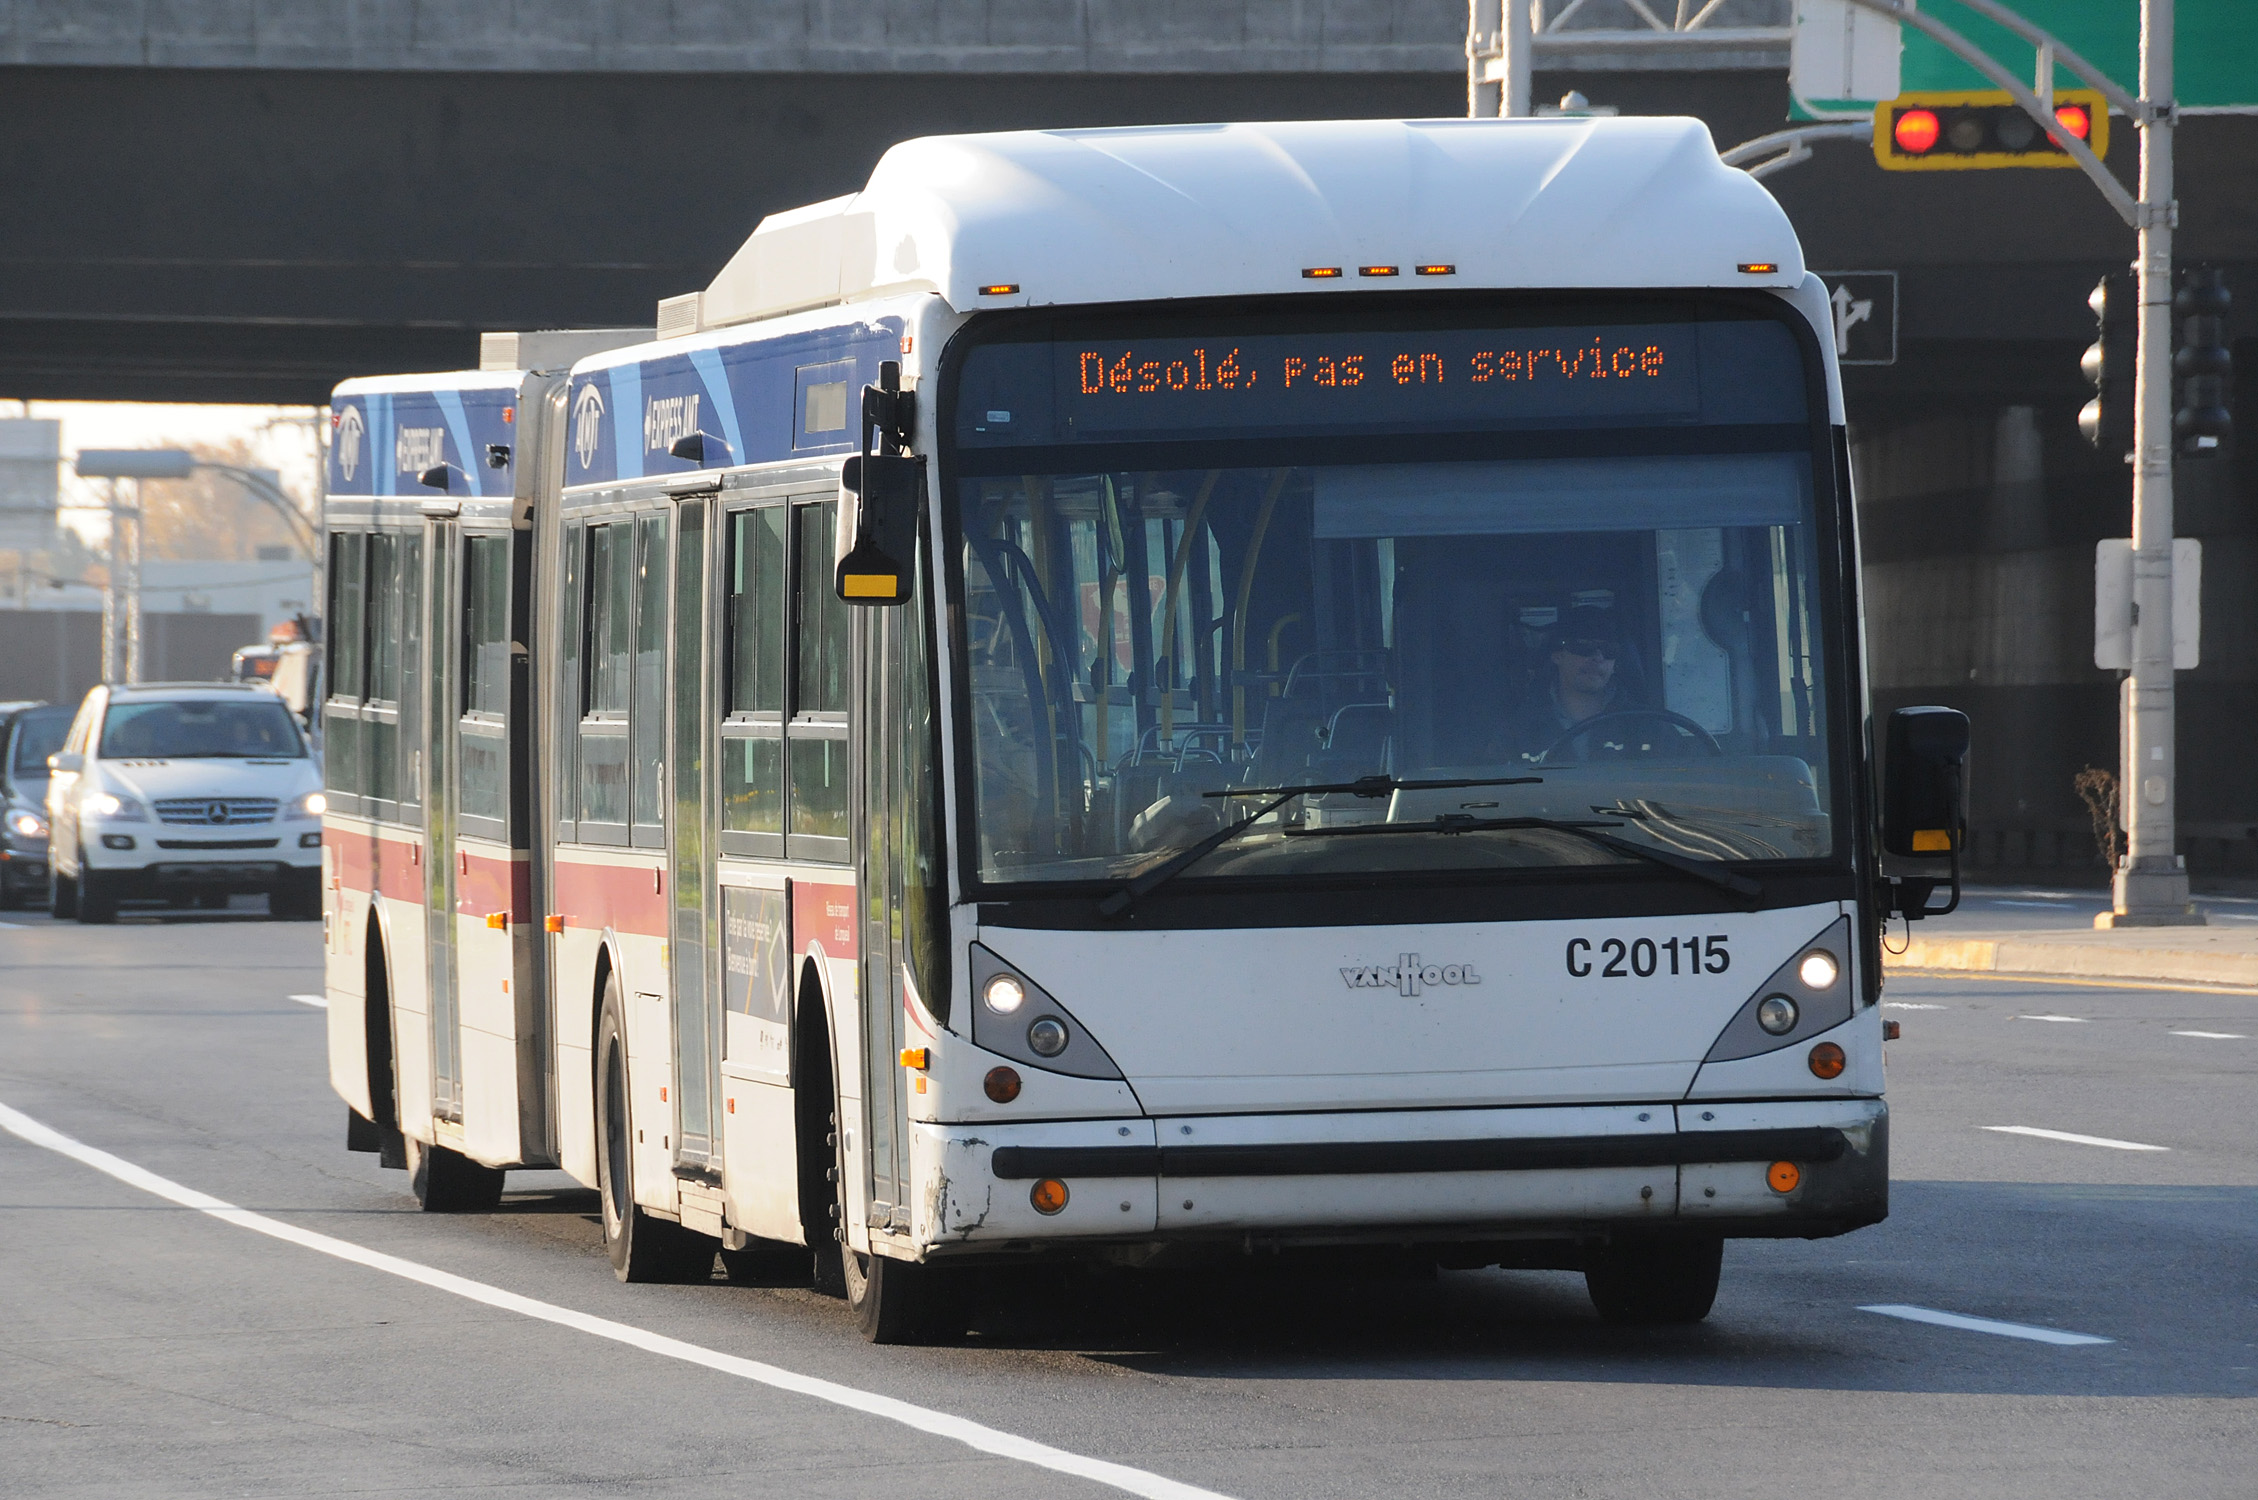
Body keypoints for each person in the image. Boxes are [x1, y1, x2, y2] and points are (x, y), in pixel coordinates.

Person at [1499, 604, 1628, 764]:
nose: (1598, 658)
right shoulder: (1517, 730)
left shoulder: (1644, 725)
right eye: (1584, 647)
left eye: (1609, 650)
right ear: (1558, 655)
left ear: (1615, 664)